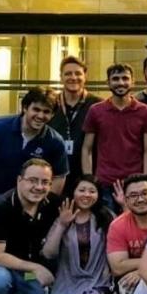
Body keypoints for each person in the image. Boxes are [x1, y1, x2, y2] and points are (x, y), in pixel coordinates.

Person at [0, 159, 61, 294]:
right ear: (19, 180)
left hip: (26, 273)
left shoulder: (53, 204)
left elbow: (86, 201)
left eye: (45, 182)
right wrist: (37, 268)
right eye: (33, 180)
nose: (39, 187)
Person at [0, 86, 67, 223]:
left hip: (27, 201)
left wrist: (43, 205)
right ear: (25, 108)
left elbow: (59, 177)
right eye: (36, 109)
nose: (40, 116)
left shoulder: (55, 141)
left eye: (46, 112)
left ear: (52, 115)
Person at [82, 63, 147, 213]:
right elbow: (86, 148)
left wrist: (145, 179)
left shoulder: (145, 112)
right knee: (107, 224)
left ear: (133, 82)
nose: (120, 82)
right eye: (115, 79)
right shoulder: (96, 111)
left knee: (133, 224)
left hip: (133, 184)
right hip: (104, 182)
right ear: (108, 82)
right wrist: (89, 180)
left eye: (125, 78)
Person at [41, 175, 114, 294]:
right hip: (66, 283)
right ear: (73, 192)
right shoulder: (62, 216)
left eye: (92, 191)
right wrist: (62, 225)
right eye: (82, 190)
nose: (87, 195)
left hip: (98, 282)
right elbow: (49, 253)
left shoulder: (106, 216)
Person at [49, 56, 102, 192]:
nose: (73, 77)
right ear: (61, 77)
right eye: (68, 74)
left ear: (85, 76)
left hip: (88, 175)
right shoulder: (50, 103)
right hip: (54, 175)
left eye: (78, 73)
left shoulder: (98, 105)